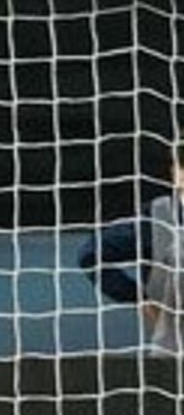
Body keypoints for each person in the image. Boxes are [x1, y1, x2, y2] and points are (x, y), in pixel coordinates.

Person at [77, 145, 184, 352]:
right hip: (173, 356)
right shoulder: (155, 218)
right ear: (175, 171)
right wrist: (137, 298)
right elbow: (90, 255)